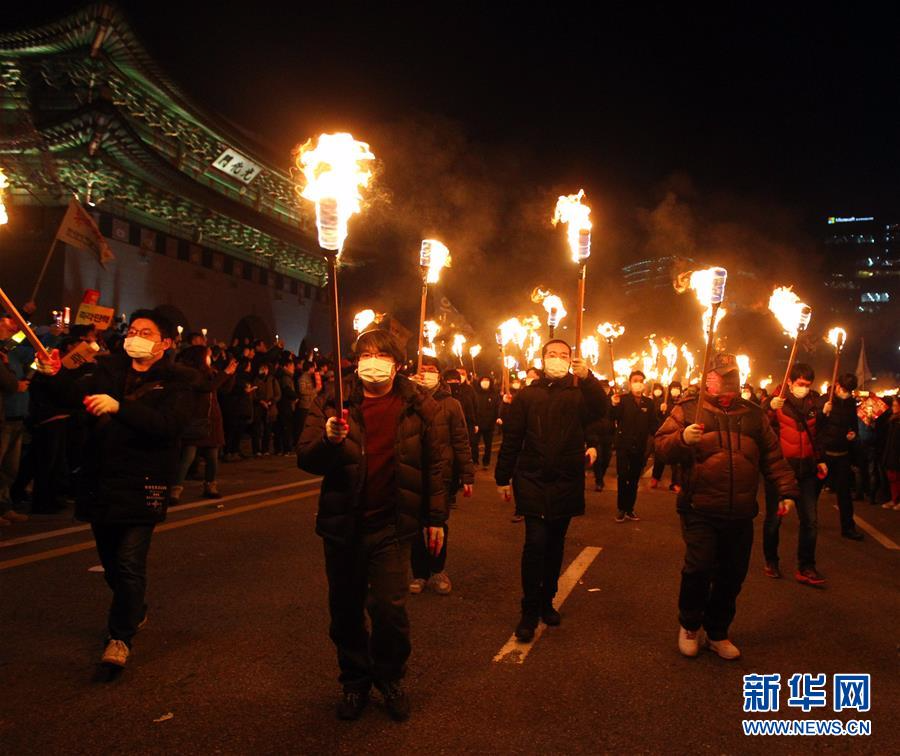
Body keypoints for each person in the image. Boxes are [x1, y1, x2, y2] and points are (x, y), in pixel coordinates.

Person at [297, 328, 447, 722]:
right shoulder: (335, 398)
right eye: (365, 355)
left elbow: (435, 465)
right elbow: (307, 458)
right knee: (344, 610)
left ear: (397, 365)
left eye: (380, 356)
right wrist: (329, 441)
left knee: (389, 610)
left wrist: (436, 519)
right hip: (342, 523)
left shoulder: (419, 405)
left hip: (392, 525)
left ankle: (390, 676)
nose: (371, 363)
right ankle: (354, 680)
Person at [35, 309, 191, 668]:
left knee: (129, 562)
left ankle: (119, 637)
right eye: (133, 330)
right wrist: (50, 373)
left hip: (144, 483)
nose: (135, 336)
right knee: (111, 565)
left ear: (165, 343)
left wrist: (120, 408)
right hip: (101, 481)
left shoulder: (179, 383)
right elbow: (72, 394)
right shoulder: (107, 371)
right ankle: (134, 607)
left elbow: (167, 425)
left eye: (146, 332)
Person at [655, 353, 798, 660]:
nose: (724, 381)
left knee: (732, 574)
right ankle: (690, 625)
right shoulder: (688, 410)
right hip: (699, 507)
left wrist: (787, 491)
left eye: (730, 375)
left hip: (741, 511)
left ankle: (718, 631)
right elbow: (660, 447)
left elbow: (773, 458)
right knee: (699, 567)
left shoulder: (753, 414)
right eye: (720, 375)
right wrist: (682, 437)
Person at [494, 339, 605, 643]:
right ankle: (529, 610)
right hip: (531, 477)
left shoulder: (579, 393)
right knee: (535, 542)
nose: (557, 359)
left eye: (564, 356)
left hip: (566, 479)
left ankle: (547, 601)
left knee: (555, 544)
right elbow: (513, 438)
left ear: (572, 361)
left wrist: (589, 378)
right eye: (552, 355)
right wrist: (502, 476)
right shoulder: (528, 395)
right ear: (542, 359)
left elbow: (601, 410)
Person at [408, 359, 475, 595]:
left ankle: (438, 570)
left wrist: (467, 474)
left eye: (431, 371)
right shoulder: (407, 401)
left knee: (436, 522)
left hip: (442, 474)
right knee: (414, 524)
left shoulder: (452, 404)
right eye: (422, 370)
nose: (426, 375)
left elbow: (461, 440)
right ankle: (419, 573)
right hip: (412, 472)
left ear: (439, 375)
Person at [763, 364, 828, 586]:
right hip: (781, 470)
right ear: (790, 382)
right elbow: (760, 425)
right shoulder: (778, 400)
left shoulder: (814, 403)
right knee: (774, 519)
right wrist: (769, 407)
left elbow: (818, 434)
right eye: (801, 384)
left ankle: (806, 566)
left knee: (810, 521)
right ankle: (771, 561)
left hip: (807, 470)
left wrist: (820, 459)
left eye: (808, 385)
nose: (805, 389)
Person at [172, 345, 235, 502]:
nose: (210, 357)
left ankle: (210, 485)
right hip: (196, 418)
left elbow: (224, 389)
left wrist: (230, 374)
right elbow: (207, 387)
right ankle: (175, 489)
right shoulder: (192, 374)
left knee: (212, 457)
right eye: (207, 355)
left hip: (212, 418)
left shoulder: (211, 372)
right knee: (188, 456)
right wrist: (225, 373)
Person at [818, 374, 863, 539]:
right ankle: (809, 523)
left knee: (844, 495)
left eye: (849, 391)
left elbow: (854, 426)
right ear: (837, 385)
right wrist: (822, 413)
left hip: (842, 454)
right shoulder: (824, 400)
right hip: (824, 456)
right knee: (813, 492)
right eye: (844, 389)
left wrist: (853, 434)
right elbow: (815, 426)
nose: (846, 393)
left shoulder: (851, 403)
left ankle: (848, 528)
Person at [610, 370, 658, 522]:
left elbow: (653, 425)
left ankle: (630, 508)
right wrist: (614, 404)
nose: (638, 383)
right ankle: (621, 508)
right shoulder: (622, 400)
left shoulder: (649, 403)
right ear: (630, 383)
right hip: (623, 445)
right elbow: (613, 416)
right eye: (635, 380)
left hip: (640, 446)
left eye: (641, 380)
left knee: (634, 478)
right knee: (623, 476)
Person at [0, 315, 28, 525]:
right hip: (5, 416)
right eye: (3, 323)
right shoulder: (4, 351)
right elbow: (10, 383)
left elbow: (31, 342)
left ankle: (5, 506)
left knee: (10, 468)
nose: (7, 327)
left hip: (16, 416)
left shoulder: (13, 349)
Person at [650, 381, 682, 491]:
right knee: (660, 456)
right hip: (665, 431)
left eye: (677, 388)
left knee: (677, 460)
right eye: (673, 388)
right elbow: (655, 416)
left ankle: (676, 483)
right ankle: (655, 478)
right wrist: (660, 410)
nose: (675, 390)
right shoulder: (663, 402)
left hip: (676, 433)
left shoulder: (682, 402)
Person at [585, 378, 615, 492]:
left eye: (607, 388)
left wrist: (615, 405)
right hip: (595, 433)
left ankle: (601, 476)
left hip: (608, 433)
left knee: (607, 458)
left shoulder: (613, 400)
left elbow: (617, 415)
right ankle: (599, 481)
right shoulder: (594, 400)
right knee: (599, 458)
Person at [472, 375, 499, 468]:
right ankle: (475, 461)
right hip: (477, 424)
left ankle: (486, 462)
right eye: (483, 380)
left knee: (488, 445)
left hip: (489, 424)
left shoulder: (494, 394)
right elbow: (473, 408)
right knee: (474, 444)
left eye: (487, 380)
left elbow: (497, 408)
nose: (485, 382)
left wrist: (496, 419)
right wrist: (474, 422)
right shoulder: (475, 393)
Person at [883, 396, 900, 509]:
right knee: (892, 477)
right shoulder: (893, 420)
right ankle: (894, 499)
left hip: (897, 453)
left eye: (895, 405)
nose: (893, 407)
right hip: (891, 452)